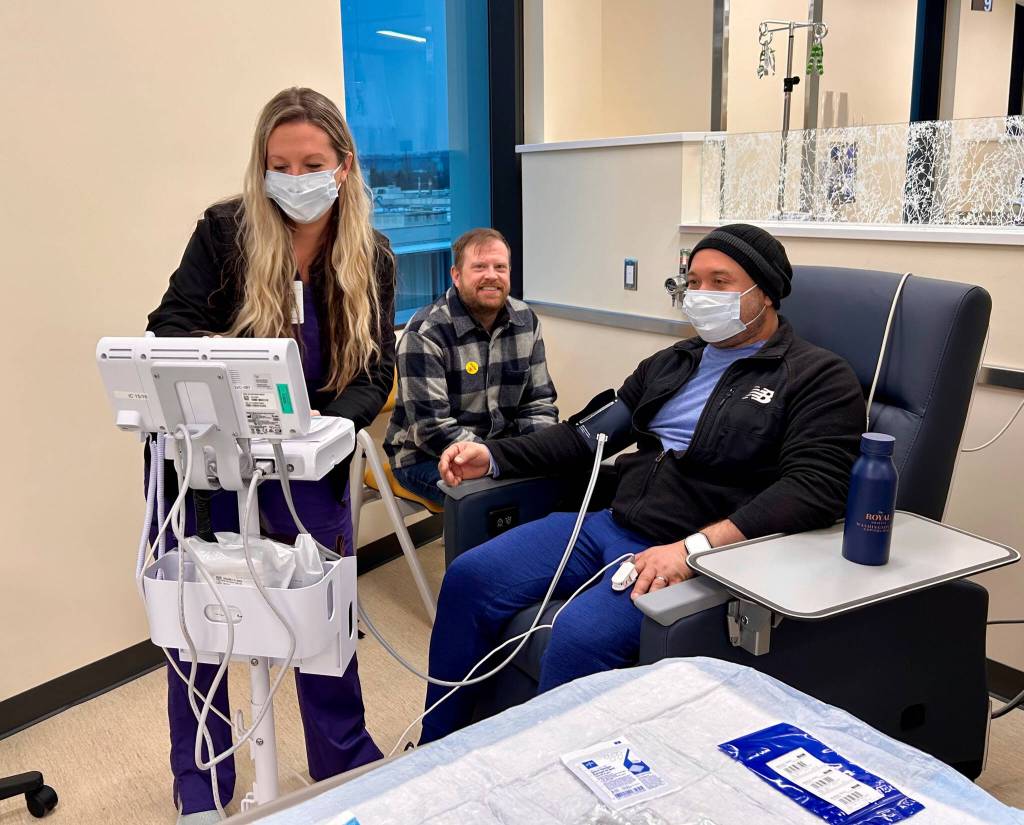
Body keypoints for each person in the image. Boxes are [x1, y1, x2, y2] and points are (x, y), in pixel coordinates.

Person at [421, 224, 866, 743]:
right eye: (693, 281)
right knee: (470, 577)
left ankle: (543, 769)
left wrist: (694, 550)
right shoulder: (671, 364)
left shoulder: (816, 377)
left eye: (720, 282)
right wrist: (493, 456)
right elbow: (585, 438)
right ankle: (438, 749)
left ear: (764, 292)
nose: (701, 294)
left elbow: (814, 487)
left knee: (579, 635)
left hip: (692, 552)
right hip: (612, 524)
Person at [147, 87, 393, 822]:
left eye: (311, 164)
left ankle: (342, 764)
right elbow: (168, 327)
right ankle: (202, 786)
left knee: (321, 619)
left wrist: (329, 425)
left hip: (308, 464)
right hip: (210, 464)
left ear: (344, 165)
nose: (295, 179)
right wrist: (237, 371)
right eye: (278, 165)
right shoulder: (225, 233)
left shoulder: (370, 255)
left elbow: (375, 370)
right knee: (199, 623)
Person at [384, 227, 558, 506]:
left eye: (500, 267)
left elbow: (538, 403)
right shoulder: (425, 333)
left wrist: (537, 452)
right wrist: (498, 459)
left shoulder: (526, 321)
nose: (492, 275)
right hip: (425, 456)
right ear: (456, 275)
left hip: (500, 450)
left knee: (560, 482)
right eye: (479, 267)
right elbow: (432, 429)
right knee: (496, 503)